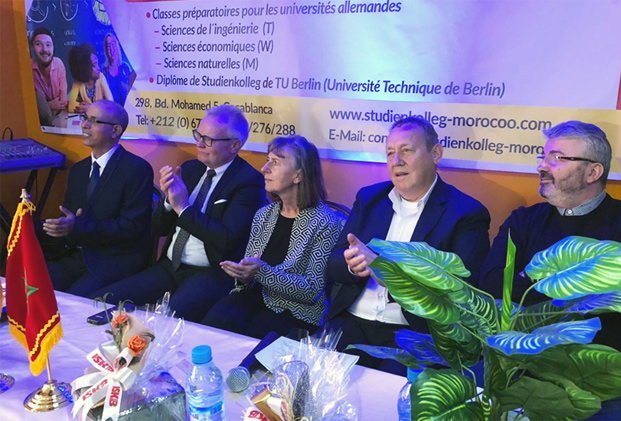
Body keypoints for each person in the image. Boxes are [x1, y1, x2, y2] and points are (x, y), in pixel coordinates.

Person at [478, 121, 621, 420]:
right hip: (525, 369)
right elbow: (491, 284)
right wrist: (582, 290)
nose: (542, 166)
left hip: (612, 379)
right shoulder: (523, 221)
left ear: (593, 172)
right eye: (543, 156)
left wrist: (530, 282)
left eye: (557, 158)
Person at [324, 116, 491, 373]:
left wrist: (389, 274)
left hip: (415, 333)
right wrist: (351, 264)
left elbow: (462, 294)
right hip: (351, 321)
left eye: (407, 150)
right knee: (316, 381)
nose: (396, 161)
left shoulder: (465, 214)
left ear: (436, 154)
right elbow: (334, 261)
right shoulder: (369, 199)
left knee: (387, 393)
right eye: (390, 153)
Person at [91, 104, 267, 323]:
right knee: (101, 301)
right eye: (198, 135)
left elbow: (226, 240)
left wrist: (183, 207)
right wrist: (167, 202)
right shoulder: (191, 169)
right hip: (169, 266)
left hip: (209, 273)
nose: (198, 143)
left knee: (165, 323)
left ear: (235, 145)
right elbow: (159, 228)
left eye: (208, 140)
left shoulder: (248, 182)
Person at [202, 136, 346, 339]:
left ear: (298, 175)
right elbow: (249, 278)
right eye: (267, 160)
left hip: (296, 310)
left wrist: (261, 271)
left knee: (255, 339)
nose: (264, 168)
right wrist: (243, 275)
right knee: (214, 326)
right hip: (255, 297)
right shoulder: (264, 215)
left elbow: (312, 291)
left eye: (275, 162)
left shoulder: (327, 223)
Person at [44, 100, 153, 296]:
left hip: (113, 260)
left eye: (94, 121)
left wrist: (79, 226)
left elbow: (132, 228)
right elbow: (71, 217)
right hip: (75, 255)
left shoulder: (137, 170)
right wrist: (60, 227)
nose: (84, 125)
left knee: (73, 302)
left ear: (115, 130)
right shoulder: (79, 170)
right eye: (85, 118)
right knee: (31, 285)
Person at [30, 27, 67, 127]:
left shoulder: (59, 64)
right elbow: (29, 106)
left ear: (53, 47)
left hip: (59, 118)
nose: (45, 49)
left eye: (48, 45)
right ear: (32, 48)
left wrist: (45, 105)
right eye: (38, 44)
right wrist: (49, 105)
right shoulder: (27, 68)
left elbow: (62, 102)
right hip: (37, 123)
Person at [67, 43, 113, 114]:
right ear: (85, 68)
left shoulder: (101, 77)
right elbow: (71, 107)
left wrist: (91, 107)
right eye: (94, 65)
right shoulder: (78, 81)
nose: (98, 68)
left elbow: (112, 106)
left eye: (97, 64)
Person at [102, 33, 136, 107]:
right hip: (110, 111)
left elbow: (132, 93)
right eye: (108, 46)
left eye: (113, 44)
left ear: (117, 46)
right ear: (106, 50)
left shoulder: (125, 68)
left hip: (125, 110)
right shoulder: (104, 71)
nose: (111, 49)